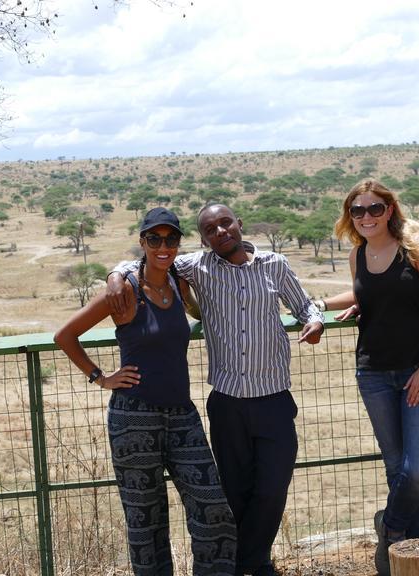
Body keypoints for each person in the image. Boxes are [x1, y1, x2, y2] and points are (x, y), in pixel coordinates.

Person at [107, 203, 325, 576]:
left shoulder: (275, 264)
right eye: (210, 229)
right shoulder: (198, 266)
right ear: (205, 239)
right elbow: (154, 258)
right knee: (234, 491)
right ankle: (247, 566)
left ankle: (252, 559)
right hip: (227, 403)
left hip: (274, 398)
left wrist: (316, 321)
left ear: (239, 224)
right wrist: (117, 273)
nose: (220, 232)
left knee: (272, 487)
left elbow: (304, 306)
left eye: (226, 224)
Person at [55, 207, 237, 576]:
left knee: (214, 510)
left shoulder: (178, 282)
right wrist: (100, 377)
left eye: (170, 239)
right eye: (154, 239)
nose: (163, 246)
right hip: (133, 418)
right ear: (143, 242)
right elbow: (65, 336)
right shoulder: (123, 293)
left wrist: (116, 269)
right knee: (146, 523)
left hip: (182, 414)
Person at [316, 179, 419, 576]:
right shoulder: (358, 255)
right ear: (350, 216)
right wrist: (322, 304)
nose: (367, 217)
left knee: (418, 469)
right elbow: (364, 294)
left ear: (390, 210)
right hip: (373, 372)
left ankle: (389, 528)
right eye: (358, 211)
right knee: (397, 469)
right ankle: (414, 555)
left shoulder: (416, 248)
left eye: (375, 209)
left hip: (418, 371)